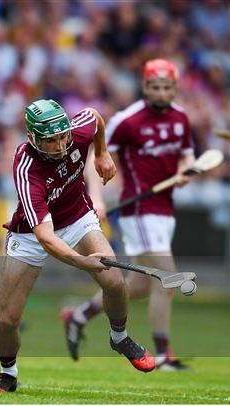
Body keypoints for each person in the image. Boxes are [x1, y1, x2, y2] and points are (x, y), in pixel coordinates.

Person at [0, 99, 155, 393]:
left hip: (77, 216)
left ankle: (119, 337)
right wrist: (82, 262)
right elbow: (45, 238)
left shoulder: (78, 130)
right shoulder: (27, 169)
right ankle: (9, 373)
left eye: (63, 136)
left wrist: (102, 154)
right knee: (8, 318)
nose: (60, 145)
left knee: (114, 282)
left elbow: (96, 117)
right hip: (32, 234)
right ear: (33, 139)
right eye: (50, 140)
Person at [62, 59, 195, 371]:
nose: (161, 92)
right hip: (139, 208)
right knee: (168, 276)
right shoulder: (127, 120)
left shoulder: (181, 118)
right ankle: (163, 353)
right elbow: (96, 156)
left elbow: (187, 156)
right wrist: (97, 197)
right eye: (155, 86)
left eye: (167, 87)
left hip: (164, 209)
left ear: (174, 88)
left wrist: (186, 171)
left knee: (137, 286)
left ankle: (78, 315)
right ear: (145, 87)